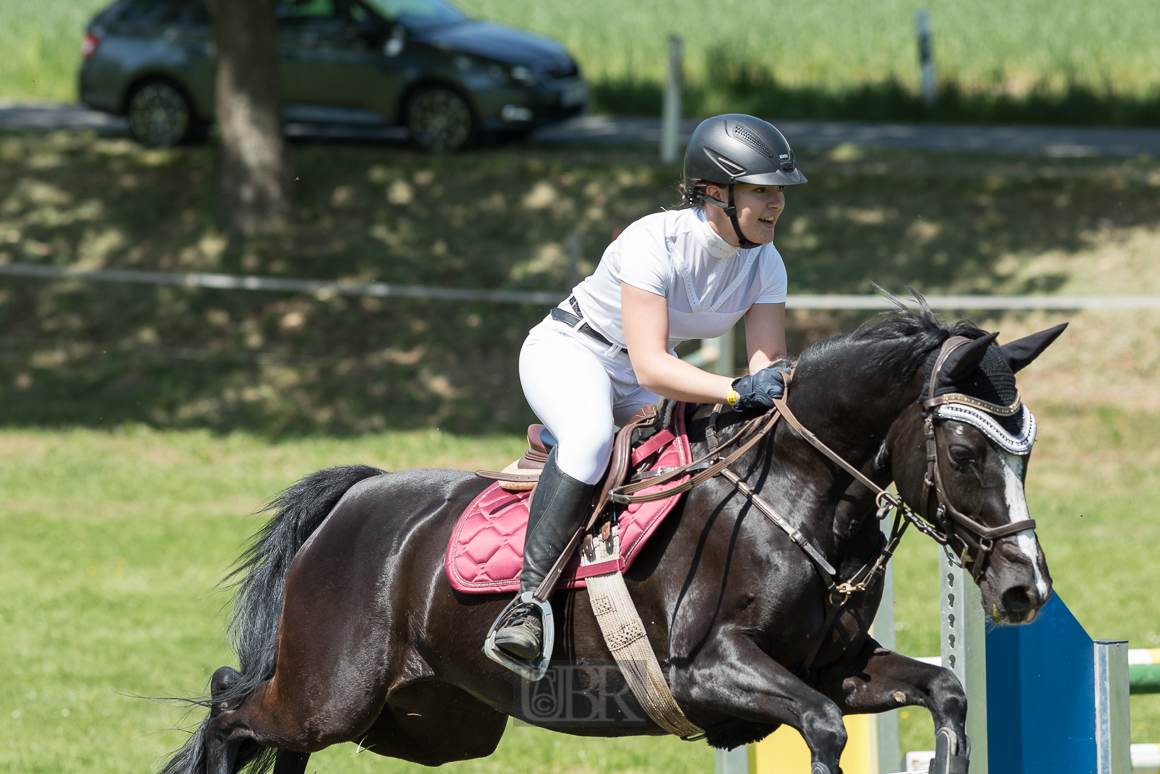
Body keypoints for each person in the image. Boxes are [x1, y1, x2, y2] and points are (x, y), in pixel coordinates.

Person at [490, 114, 808, 664]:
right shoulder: (651, 242)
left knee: (712, 452)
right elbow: (653, 369)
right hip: (572, 351)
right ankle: (526, 605)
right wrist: (735, 390)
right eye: (761, 190)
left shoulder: (766, 262)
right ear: (714, 193)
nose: (777, 203)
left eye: (779, 191)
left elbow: (767, 366)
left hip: (650, 368)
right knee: (589, 439)